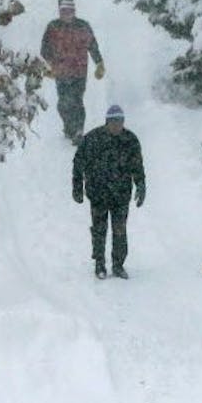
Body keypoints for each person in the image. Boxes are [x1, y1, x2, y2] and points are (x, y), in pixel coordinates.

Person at [73, 105, 146, 279]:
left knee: (120, 230)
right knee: (99, 230)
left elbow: (137, 166)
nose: (117, 126)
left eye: (120, 122)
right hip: (98, 193)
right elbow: (78, 163)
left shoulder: (130, 140)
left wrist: (141, 185)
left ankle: (118, 265)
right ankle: (99, 263)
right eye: (113, 122)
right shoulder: (92, 139)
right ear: (107, 122)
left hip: (121, 194)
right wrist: (77, 186)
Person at [41, 0, 104, 142]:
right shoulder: (53, 27)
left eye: (69, 11)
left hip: (79, 71)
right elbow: (45, 49)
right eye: (63, 11)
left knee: (77, 101)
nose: (66, 14)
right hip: (61, 72)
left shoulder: (82, 26)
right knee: (63, 103)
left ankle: (78, 131)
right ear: (60, 12)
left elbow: (92, 46)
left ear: (74, 12)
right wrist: (49, 65)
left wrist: (99, 63)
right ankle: (69, 128)